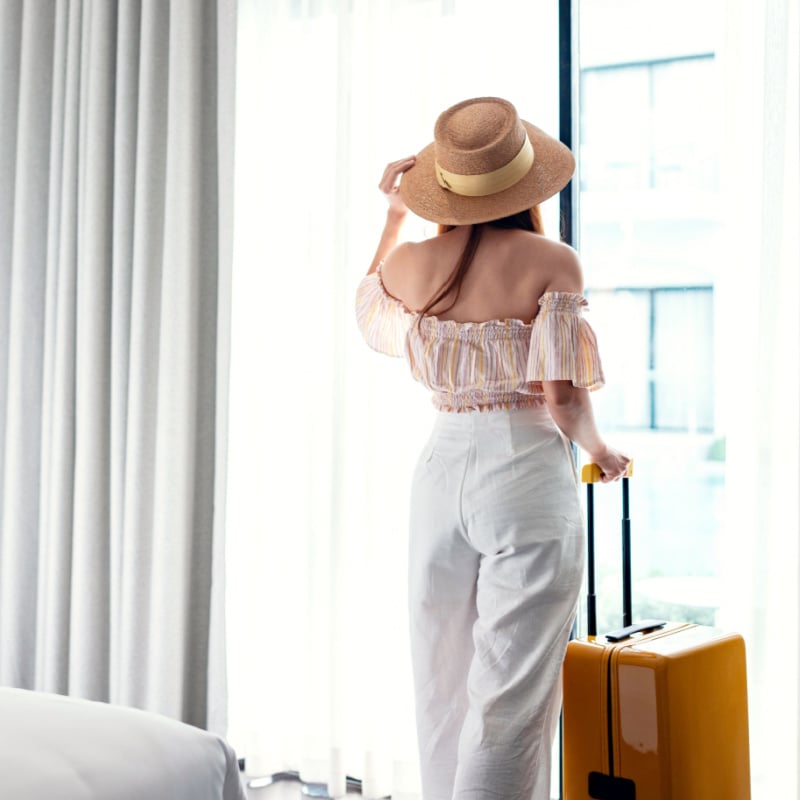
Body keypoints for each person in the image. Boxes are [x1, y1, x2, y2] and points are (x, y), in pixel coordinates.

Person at [354, 97, 630, 800]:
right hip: (524, 475)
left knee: (441, 678)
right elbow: (561, 397)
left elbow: (369, 311)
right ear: (524, 184)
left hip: (440, 471)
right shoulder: (552, 260)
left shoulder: (413, 261)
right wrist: (606, 451)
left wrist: (391, 218)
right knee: (509, 694)